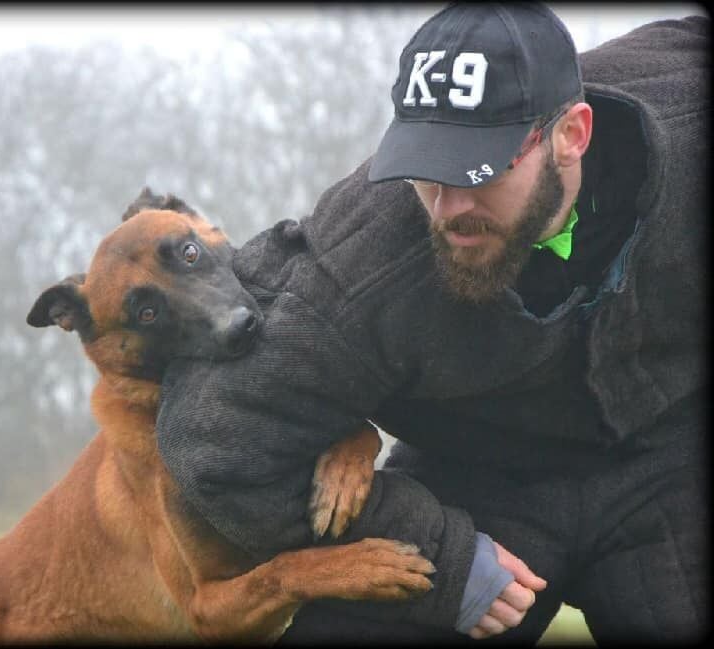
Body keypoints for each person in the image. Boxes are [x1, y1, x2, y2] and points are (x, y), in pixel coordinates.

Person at [157, 3, 709, 644]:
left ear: (571, 135)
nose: (449, 208)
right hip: (475, 485)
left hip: (674, 459)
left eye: (478, 171)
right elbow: (216, 437)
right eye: (428, 170)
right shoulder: (365, 255)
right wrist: (445, 558)